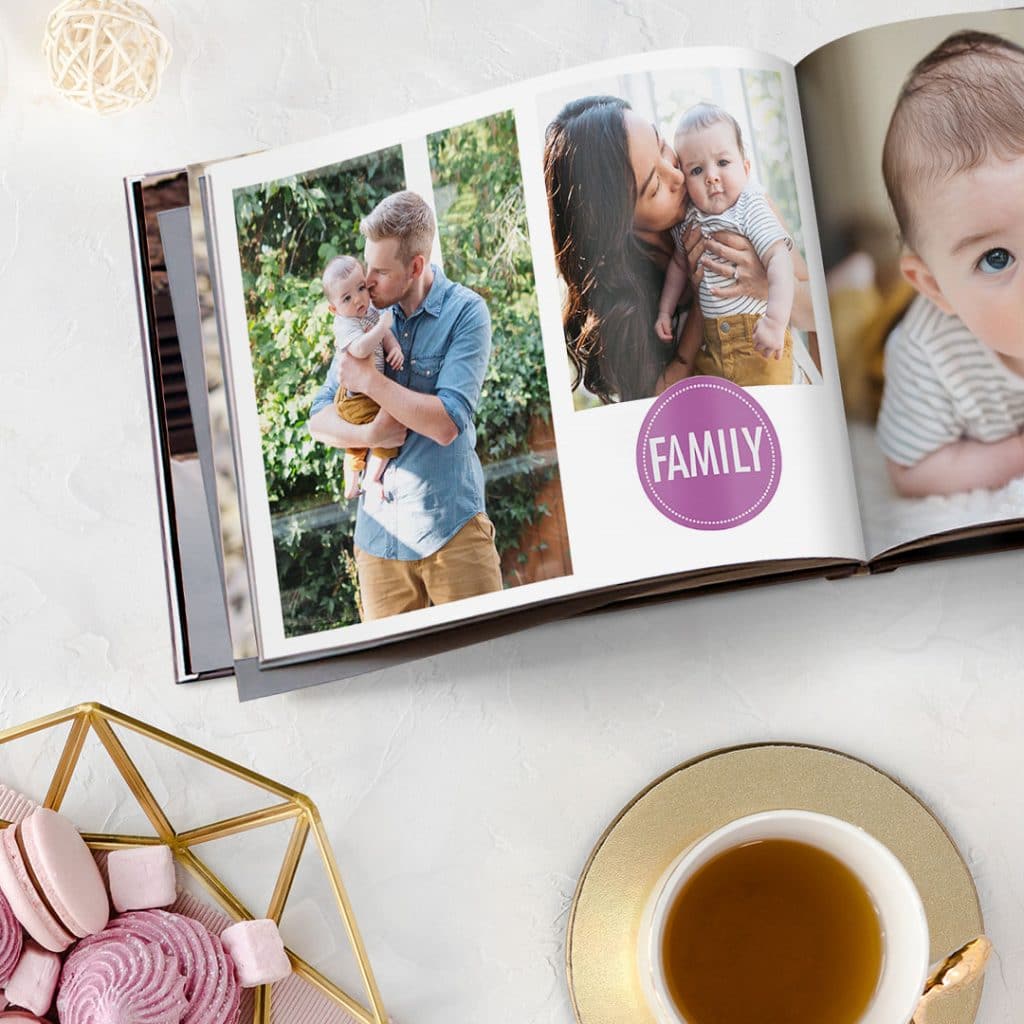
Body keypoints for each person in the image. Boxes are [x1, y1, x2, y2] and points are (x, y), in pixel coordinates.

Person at [543, 95, 815, 405]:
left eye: (662, 148)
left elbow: (817, 315)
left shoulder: (742, 204)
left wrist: (762, 282)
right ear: (618, 226)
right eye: (655, 187)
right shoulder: (621, 302)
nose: (678, 176)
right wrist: (702, 305)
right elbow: (657, 400)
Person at [307, 191, 502, 620]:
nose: (366, 281)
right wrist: (367, 436)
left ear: (415, 267)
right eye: (365, 267)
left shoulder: (467, 314)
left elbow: (447, 422)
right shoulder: (360, 320)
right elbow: (318, 421)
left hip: (453, 534)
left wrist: (370, 381)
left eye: (378, 272)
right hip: (378, 545)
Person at [877, 31, 1024, 497]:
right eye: (996, 258)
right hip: (882, 342)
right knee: (858, 326)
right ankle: (856, 280)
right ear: (934, 285)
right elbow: (912, 470)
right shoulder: (925, 354)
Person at [657, 102, 795, 386]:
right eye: (696, 170)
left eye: (722, 162)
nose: (711, 176)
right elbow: (678, 265)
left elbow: (779, 259)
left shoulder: (750, 206)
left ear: (745, 168)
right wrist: (665, 310)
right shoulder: (691, 219)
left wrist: (775, 321)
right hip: (711, 345)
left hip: (755, 339)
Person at [321, 254, 405, 499]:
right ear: (334, 309)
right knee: (387, 436)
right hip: (357, 397)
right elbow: (359, 348)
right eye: (347, 298)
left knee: (356, 444)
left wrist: (395, 347)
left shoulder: (368, 313)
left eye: (361, 288)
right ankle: (372, 478)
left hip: (365, 393)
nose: (358, 299)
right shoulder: (344, 324)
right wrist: (381, 328)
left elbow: (385, 336)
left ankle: (351, 484)